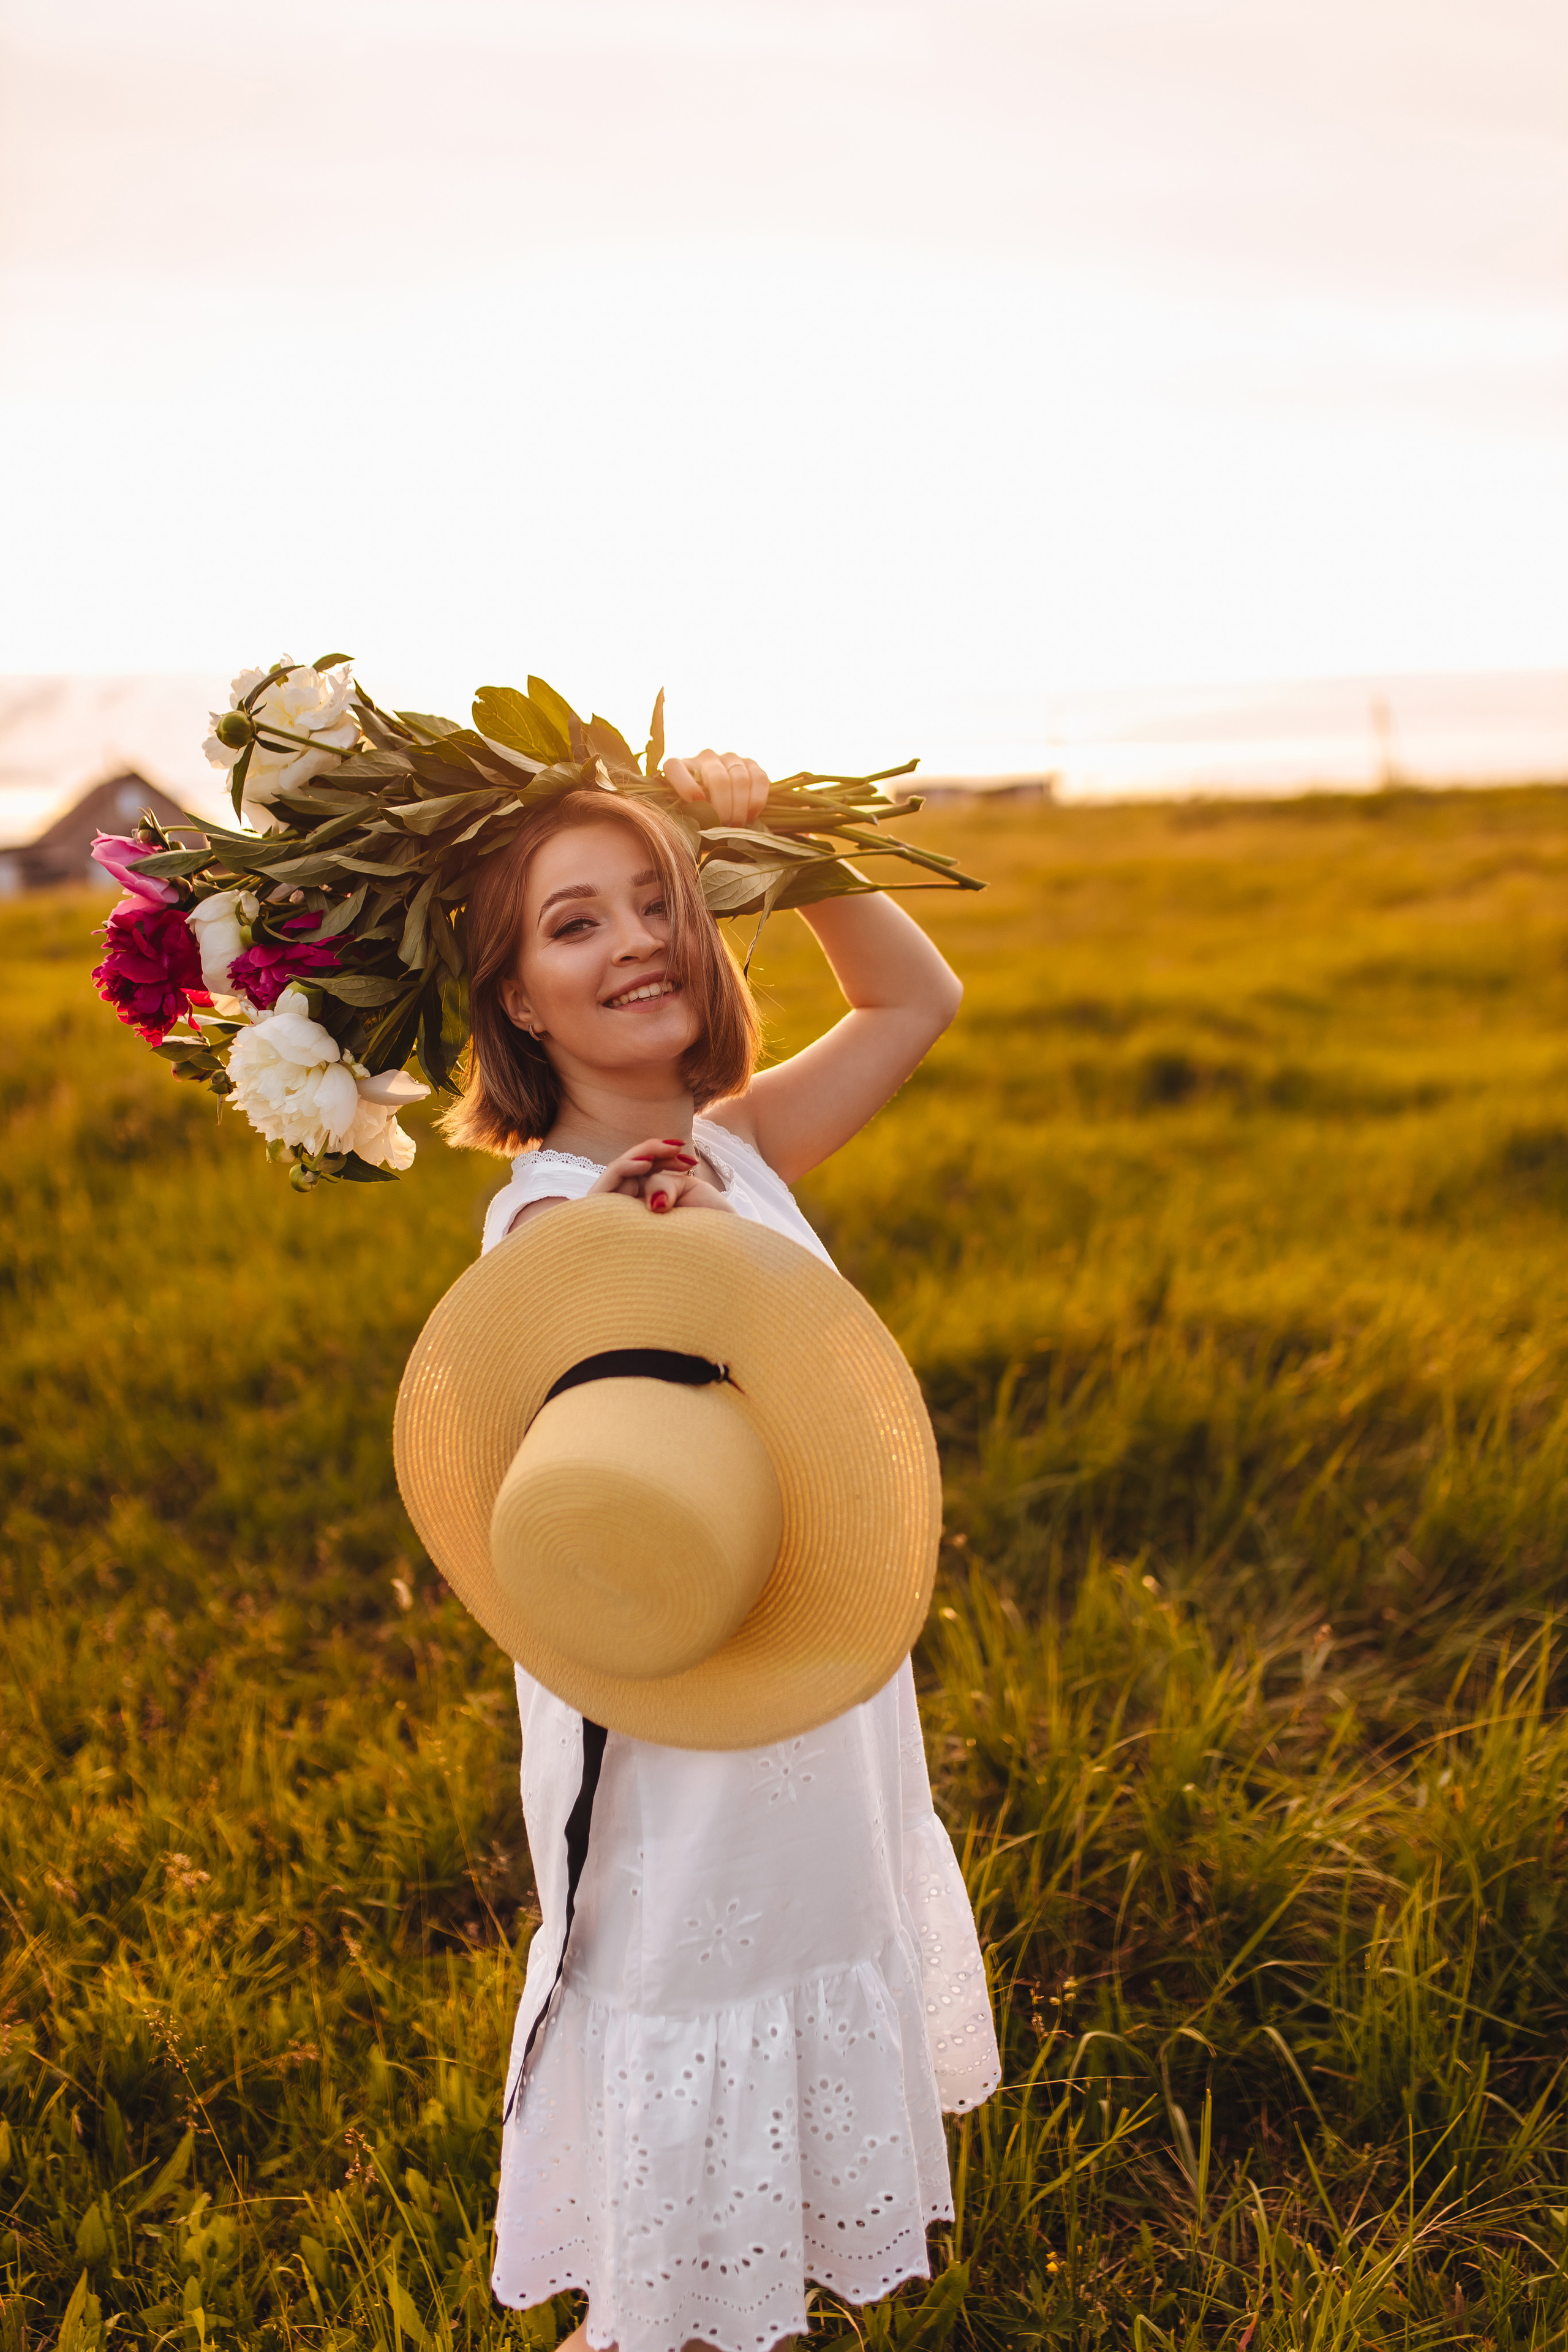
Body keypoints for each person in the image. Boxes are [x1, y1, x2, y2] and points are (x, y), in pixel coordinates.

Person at [440, 749, 1000, 2352]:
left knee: (812, 1927)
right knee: (686, 1979)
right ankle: (661, 2315)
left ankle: (747, 2295)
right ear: (517, 1001)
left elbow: (916, 1002)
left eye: (656, 903)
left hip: (810, 1675)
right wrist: (628, 1228)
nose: (634, 942)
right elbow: (568, 1313)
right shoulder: (560, 1212)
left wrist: (791, 842)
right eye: (571, 924)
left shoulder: (737, 1147)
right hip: (676, 1711)